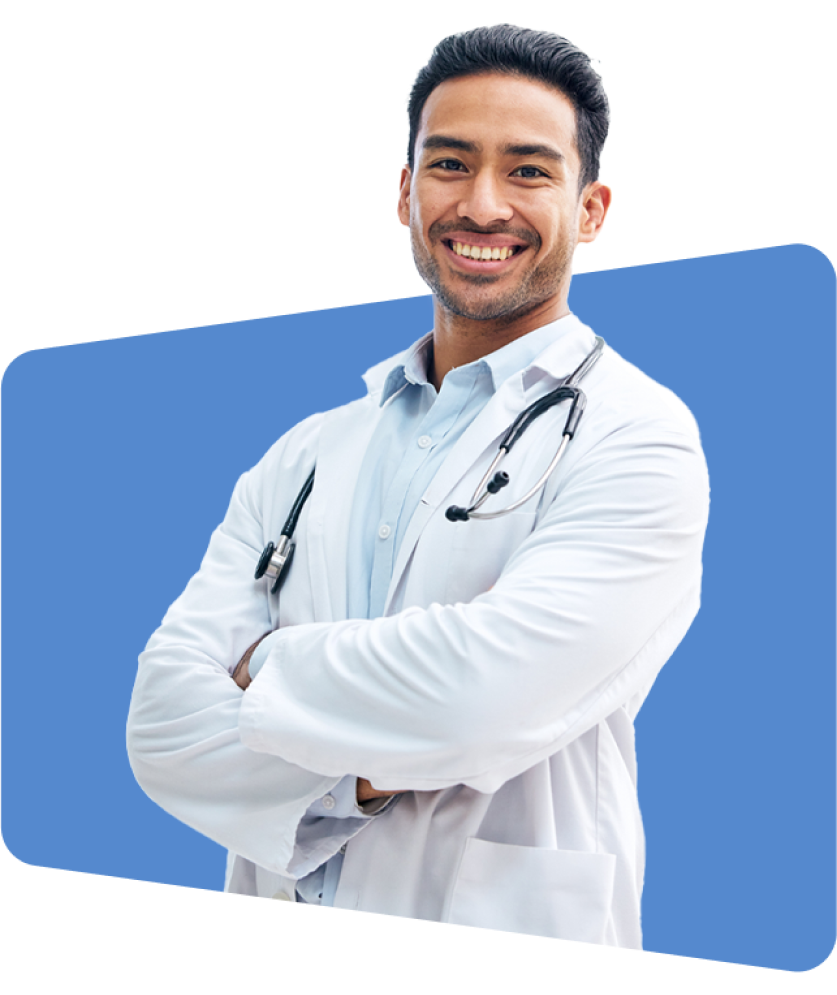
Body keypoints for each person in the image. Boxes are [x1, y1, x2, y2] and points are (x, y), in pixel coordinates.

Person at [126, 23, 709, 946]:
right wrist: (360, 777)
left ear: (590, 209)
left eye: (527, 171)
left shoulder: (638, 436)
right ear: (404, 191)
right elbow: (161, 723)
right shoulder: (306, 451)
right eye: (449, 164)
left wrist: (264, 669)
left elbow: (486, 695)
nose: (482, 206)